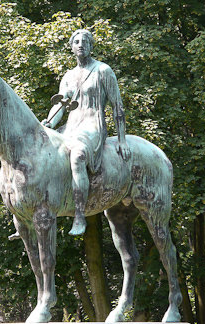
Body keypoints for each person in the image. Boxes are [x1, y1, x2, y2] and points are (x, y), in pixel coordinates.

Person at [42, 29, 131, 236]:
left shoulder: (103, 70)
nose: (81, 44)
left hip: (93, 126)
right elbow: (59, 108)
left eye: (85, 41)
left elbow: (118, 106)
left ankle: (80, 216)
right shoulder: (68, 76)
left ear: (91, 46)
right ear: (72, 47)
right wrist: (48, 124)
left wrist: (122, 140)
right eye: (76, 41)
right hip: (70, 127)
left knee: (78, 155)